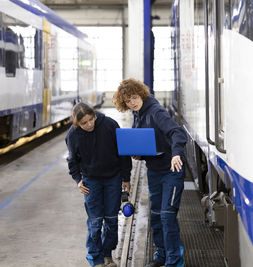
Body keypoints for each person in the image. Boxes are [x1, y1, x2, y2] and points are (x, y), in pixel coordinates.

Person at [113, 78, 187, 267]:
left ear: (142, 94)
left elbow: (178, 133)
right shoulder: (138, 114)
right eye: (128, 101)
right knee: (155, 215)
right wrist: (140, 154)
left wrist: (176, 154)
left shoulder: (156, 112)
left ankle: (174, 261)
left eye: (135, 98)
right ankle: (160, 256)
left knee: (167, 215)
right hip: (154, 170)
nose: (133, 103)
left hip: (171, 169)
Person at [65, 102, 132, 267]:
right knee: (95, 222)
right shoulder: (73, 134)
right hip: (91, 181)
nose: (89, 125)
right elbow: (72, 160)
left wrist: (126, 177)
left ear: (94, 115)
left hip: (113, 179)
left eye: (91, 119)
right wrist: (78, 180)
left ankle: (107, 254)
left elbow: (123, 153)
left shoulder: (109, 125)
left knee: (111, 220)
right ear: (77, 124)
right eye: (84, 123)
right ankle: (96, 259)